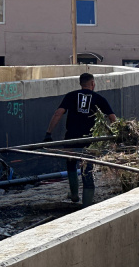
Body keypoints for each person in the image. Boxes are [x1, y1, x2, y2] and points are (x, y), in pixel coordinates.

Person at [44, 72, 117, 207]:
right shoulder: (100, 99)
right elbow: (113, 119)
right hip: (90, 141)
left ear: (80, 84)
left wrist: (49, 133)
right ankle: (86, 205)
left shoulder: (70, 96)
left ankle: (74, 195)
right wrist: (116, 136)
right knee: (87, 168)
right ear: (93, 84)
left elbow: (58, 113)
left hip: (71, 138)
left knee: (71, 164)